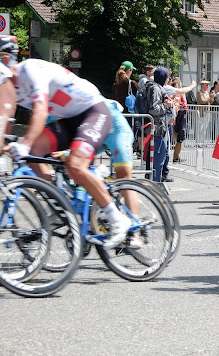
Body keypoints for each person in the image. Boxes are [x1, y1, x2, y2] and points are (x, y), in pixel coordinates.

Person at [0, 35, 132, 249]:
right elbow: (5, 119)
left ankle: (118, 219)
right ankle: (60, 203)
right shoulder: (8, 89)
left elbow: (41, 112)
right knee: (33, 153)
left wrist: (22, 144)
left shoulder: (31, 69)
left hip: (93, 111)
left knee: (74, 164)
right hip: (68, 120)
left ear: (8, 59)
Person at [144, 67, 173, 182]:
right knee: (158, 158)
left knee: (157, 157)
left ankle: (155, 182)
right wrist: (167, 106)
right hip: (158, 128)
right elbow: (154, 109)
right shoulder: (156, 89)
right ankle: (156, 183)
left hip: (156, 127)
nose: (168, 79)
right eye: (167, 77)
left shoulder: (153, 87)